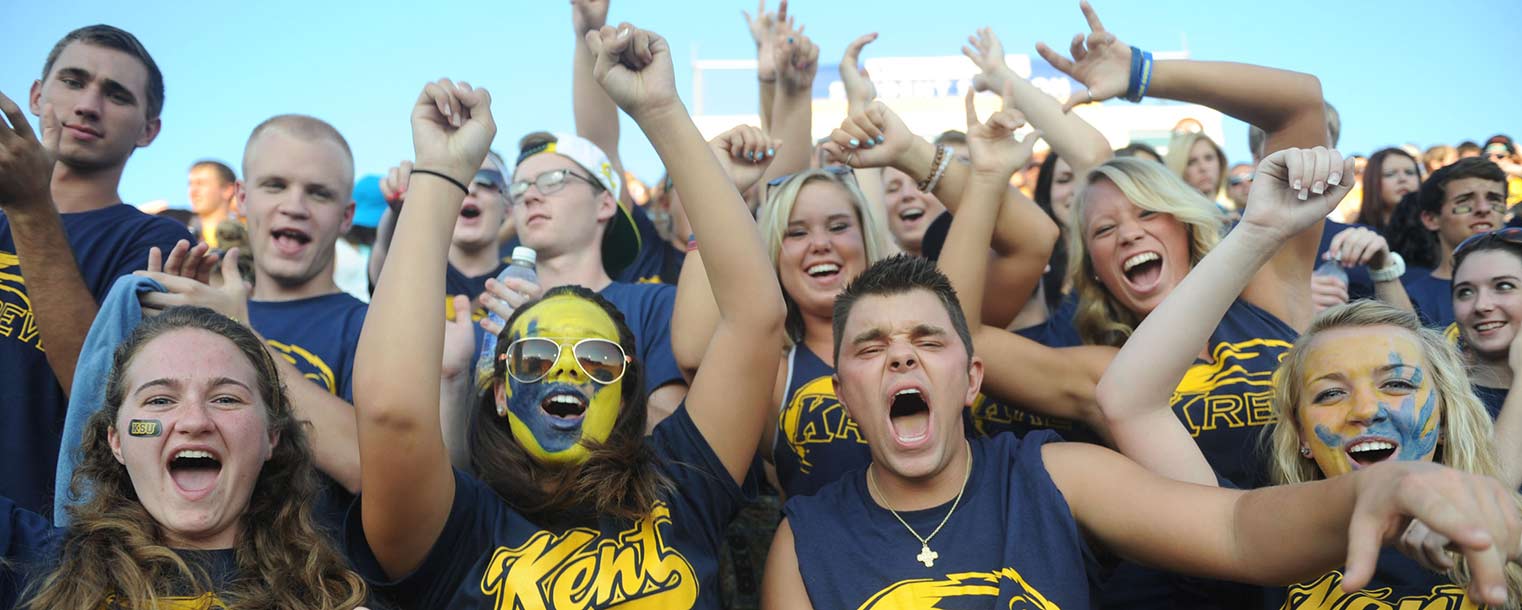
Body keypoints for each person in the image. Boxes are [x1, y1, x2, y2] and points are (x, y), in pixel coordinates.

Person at [761, 256, 1522, 610]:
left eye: (928, 340)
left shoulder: (1054, 472)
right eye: (870, 347)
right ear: (844, 399)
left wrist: (1386, 485)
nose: (900, 353)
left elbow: (1235, 528)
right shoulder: (806, 539)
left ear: (973, 381)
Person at [349, 21, 785, 609]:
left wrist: (660, 109)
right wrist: (440, 173)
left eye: (598, 358)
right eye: (535, 356)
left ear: (630, 393)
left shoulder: (681, 490)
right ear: (499, 391)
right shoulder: (456, 528)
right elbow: (392, 413)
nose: (567, 371)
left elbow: (755, 317)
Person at [1097, 143, 1522, 607]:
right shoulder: (1262, 544)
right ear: (1299, 432)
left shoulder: (1506, 537)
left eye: (1397, 384)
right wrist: (1256, 231)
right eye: (1330, 393)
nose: (1364, 411)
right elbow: (1129, 401)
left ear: (1442, 415)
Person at [1, 306, 367, 610]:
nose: (194, 422)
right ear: (116, 440)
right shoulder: (31, 560)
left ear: (272, 436)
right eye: (159, 400)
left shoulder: (329, 600)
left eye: (226, 398)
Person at [0, 25, 191, 518]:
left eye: (117, 95)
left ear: (149, 130)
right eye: (72, 81)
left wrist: (29, 209)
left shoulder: (156, 243)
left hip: (38, 548)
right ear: (38, 95)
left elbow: (114, 405)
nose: (88, 105)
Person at [1400, 158, 1508, 328]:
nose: (1483, 208)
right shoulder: (1413, 299)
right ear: (1431, 219)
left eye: (1494, 199)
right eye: (1465, 200)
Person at [1355, 147, 1422, 234]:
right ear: (1372, 182)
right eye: (1390, 174)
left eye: (1409, 172)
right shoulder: (1357, 235)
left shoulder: (1438, 232)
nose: (1402, 179)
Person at [186, 160, 239, 248]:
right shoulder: (180, 231)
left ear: (228, 190)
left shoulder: (248, 235)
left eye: (201, 184)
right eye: (190, 184)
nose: (193, 191)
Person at [1165, 131, 1227, 203]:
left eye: (1208, 158)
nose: (1203, 167)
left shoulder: (1233, 213)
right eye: (1191, 162)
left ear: (1221, 162)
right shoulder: (1170, 213)